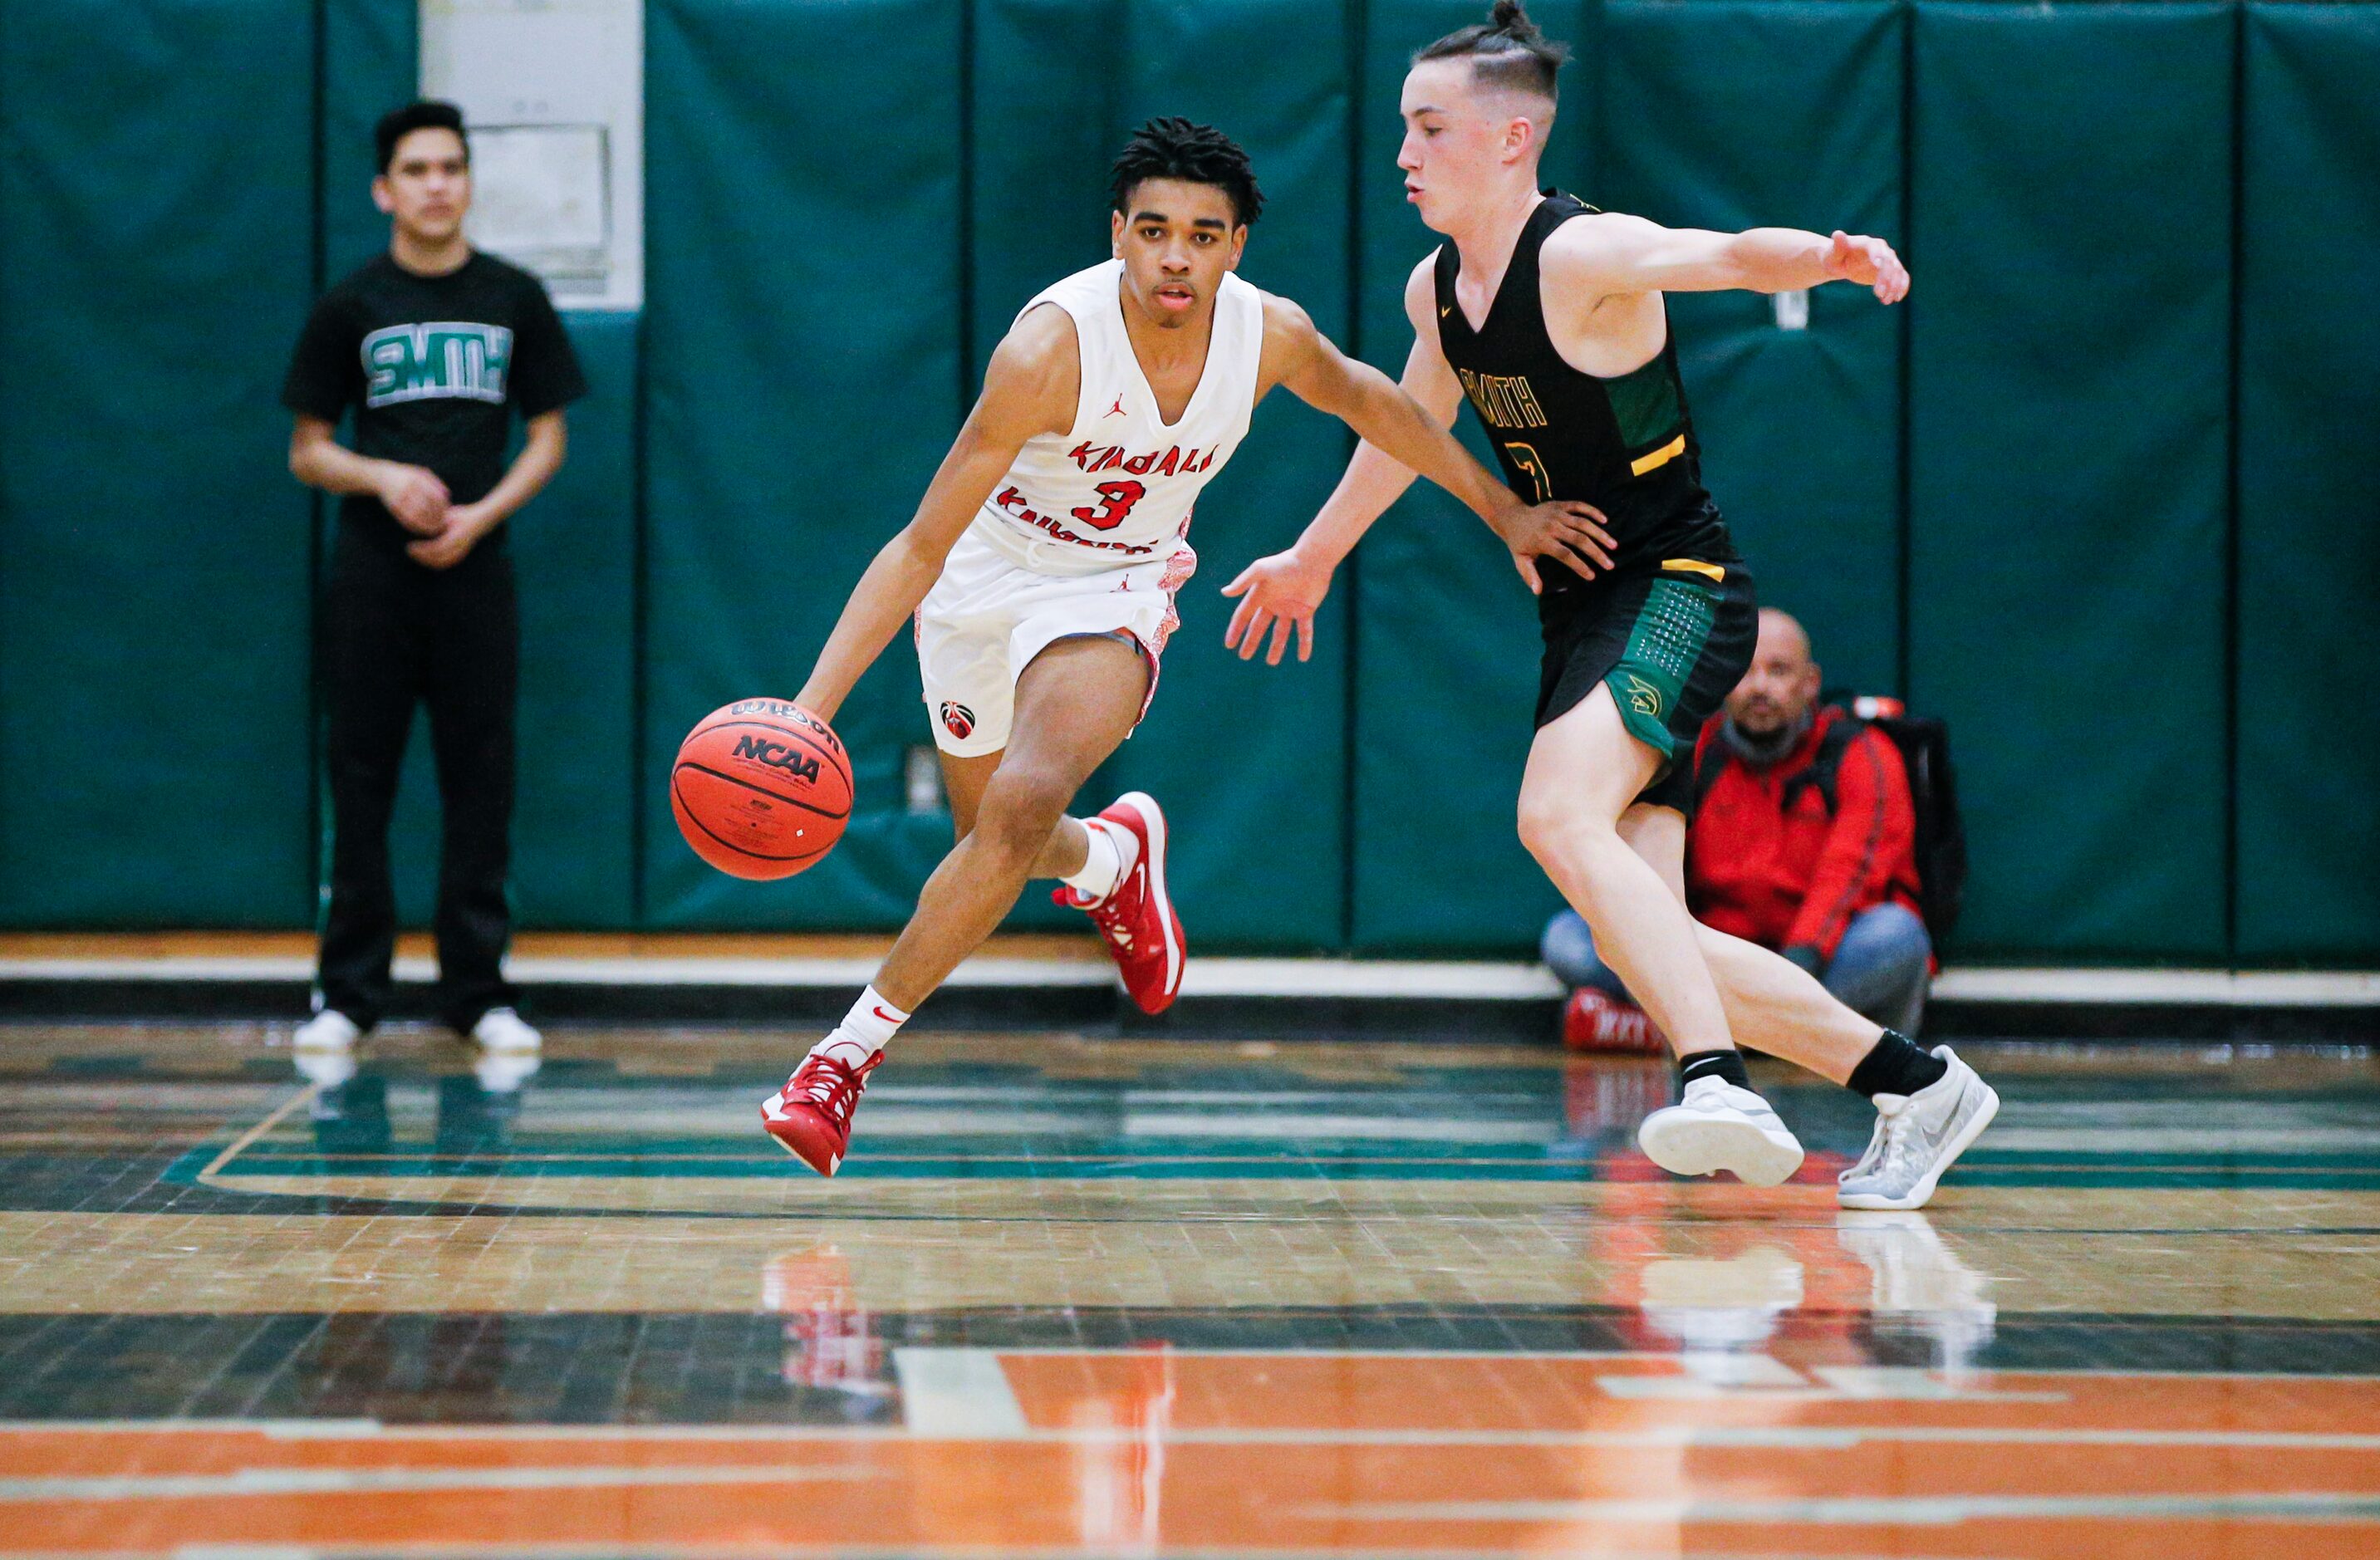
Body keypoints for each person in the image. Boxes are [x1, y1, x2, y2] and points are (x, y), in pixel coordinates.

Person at [1221, 3, 1996, 1210]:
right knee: (1645, 931)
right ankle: (1921, 1084)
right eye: (1403, 130)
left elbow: (1721, 252)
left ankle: (1715, 1081)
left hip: (1677, 587)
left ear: (1514, 138)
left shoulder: (1577, 255)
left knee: (1552, 813)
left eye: (1429, 130)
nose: (1404, 155)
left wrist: (1832, 254)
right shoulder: (1437, 290)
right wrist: (1315, 557)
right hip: (1581, 616)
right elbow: (1407, 433)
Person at [760, 118, 1612, 1176]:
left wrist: (1503, 511)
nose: (1176, 256)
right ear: (1118, 233)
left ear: (1236, 246)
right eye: (1155, 230)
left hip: (1114, 586)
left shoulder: (1271, 335)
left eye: (1203, 236)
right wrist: (810, 707)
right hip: (982, 584)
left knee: (1019, 808)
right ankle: (1116, 856)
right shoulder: (1047, 349)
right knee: (996, 836)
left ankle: (839, 1065)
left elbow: (1382, 406)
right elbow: (921, 544)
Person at [282, 101, 586, 1062]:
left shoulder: (513, 297)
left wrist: (481, 514)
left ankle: (479, 994)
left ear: (467, 181)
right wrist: (383, 476)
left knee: (480, 779)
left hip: (475, 574)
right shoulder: (350, 305)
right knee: (360, 777)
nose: (436, 184)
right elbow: (307, 451)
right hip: (372, 578)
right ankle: (350, 996)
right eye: (416, 169)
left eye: (451, 166)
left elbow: (549, 437)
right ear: (385, 189)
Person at [1548, 607, 1934, 1038]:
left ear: (1810, 684)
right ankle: (1773, 1038)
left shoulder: (1864, 753)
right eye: (1745, 671)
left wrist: (1791, 972)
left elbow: (1850, 875)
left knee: (1898, 937)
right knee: (1568, 939)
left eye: (1779, 671)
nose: (1760, 687)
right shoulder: (1691, 752)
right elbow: (1647, 876)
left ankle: (1696, 1033)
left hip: (1816, 959)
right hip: (1712, 960)